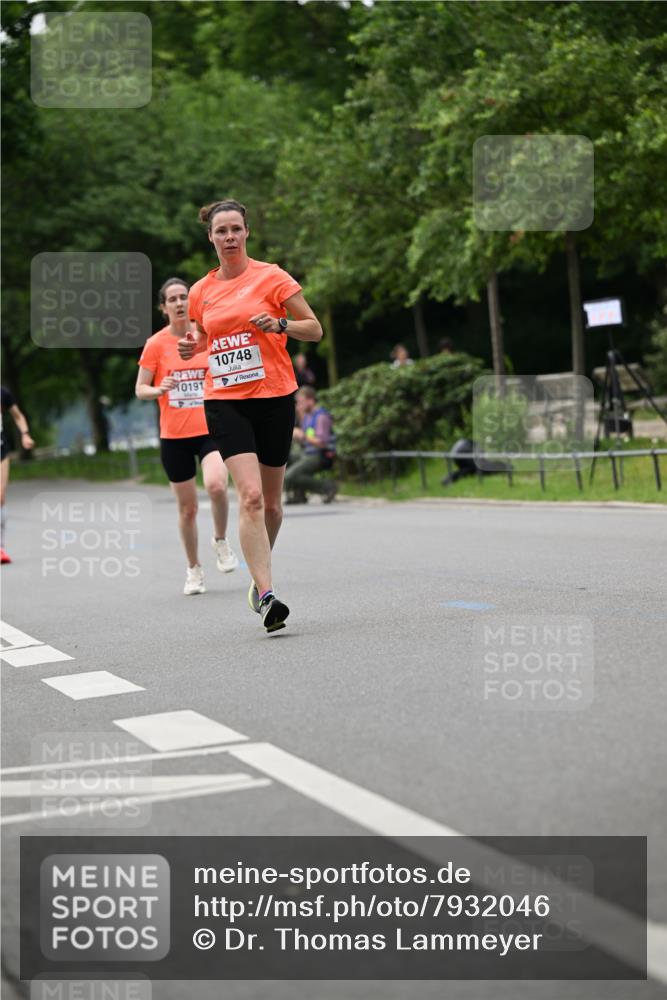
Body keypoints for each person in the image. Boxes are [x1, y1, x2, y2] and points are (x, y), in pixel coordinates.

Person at [179, 198, 323, 633]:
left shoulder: (272, 276)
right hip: (225, 400)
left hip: (274, 396)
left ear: (247, 232)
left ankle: (258, 578)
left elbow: (314, 328)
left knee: (273, 506)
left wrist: (281, 325)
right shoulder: (200, 292)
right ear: (210, 237)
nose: (229, 237)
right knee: (252, 498)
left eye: (235, 229)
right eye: (221, 231)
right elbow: (202, 338)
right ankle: (266, 594)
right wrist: (191, 347)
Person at [136, 277, 238, 595]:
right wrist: (158, 389)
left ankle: (220, 540)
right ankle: (194, 569)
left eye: (184, 297)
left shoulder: (205, 336)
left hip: (209, 429)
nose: (180, 303)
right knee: (188, 509)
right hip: (175, 436)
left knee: (217, 485)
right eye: (173, 299)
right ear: (163, 308)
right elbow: (140, 389)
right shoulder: (156, 344)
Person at [284, 387, 337, 504]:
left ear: (311, 400)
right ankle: (299, 493)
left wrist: (303, 436)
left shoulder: (321, 417)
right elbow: (306, 441)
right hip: (308, 453)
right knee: (286, 458)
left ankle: (327, 487)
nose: (299, 405)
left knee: (289, 476)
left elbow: (322, 443)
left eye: (301, 402)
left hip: (320, 454)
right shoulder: (308, 417)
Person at [1, 386, 35, 564]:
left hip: (0, 449)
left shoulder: (3, 393)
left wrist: (25, 435)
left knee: (0, 497)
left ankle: (0, 547)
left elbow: (18, 416)